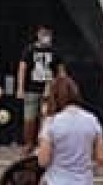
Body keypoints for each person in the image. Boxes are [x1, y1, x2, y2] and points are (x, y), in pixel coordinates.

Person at [17, 25, 66, 155]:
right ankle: (28, 143)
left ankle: (44, 144)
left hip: (49, 89)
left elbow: (61, 71)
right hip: (31, 89)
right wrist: (20, 88)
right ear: (38, 34)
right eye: (44, 33)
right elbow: (22, 68)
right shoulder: (29, 50)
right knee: (29, 118)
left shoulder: (55, 51)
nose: (46, 37)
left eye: (48, 34)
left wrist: (62, 88)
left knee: (47, 118)